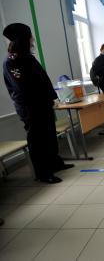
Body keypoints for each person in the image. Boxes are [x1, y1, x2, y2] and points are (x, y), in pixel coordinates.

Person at [2, 23, 73, 184]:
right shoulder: (12, 61)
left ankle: (55, 163)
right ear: (23, 39)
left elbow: (43, 80)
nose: (32, 39)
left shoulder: (27, 57)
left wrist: (51, 97)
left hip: (43, 105)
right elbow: (23, 88)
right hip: (31, 108)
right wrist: (43, 99)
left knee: (49, 135)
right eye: (30, 37)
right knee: (37, 140)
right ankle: (43, 173)